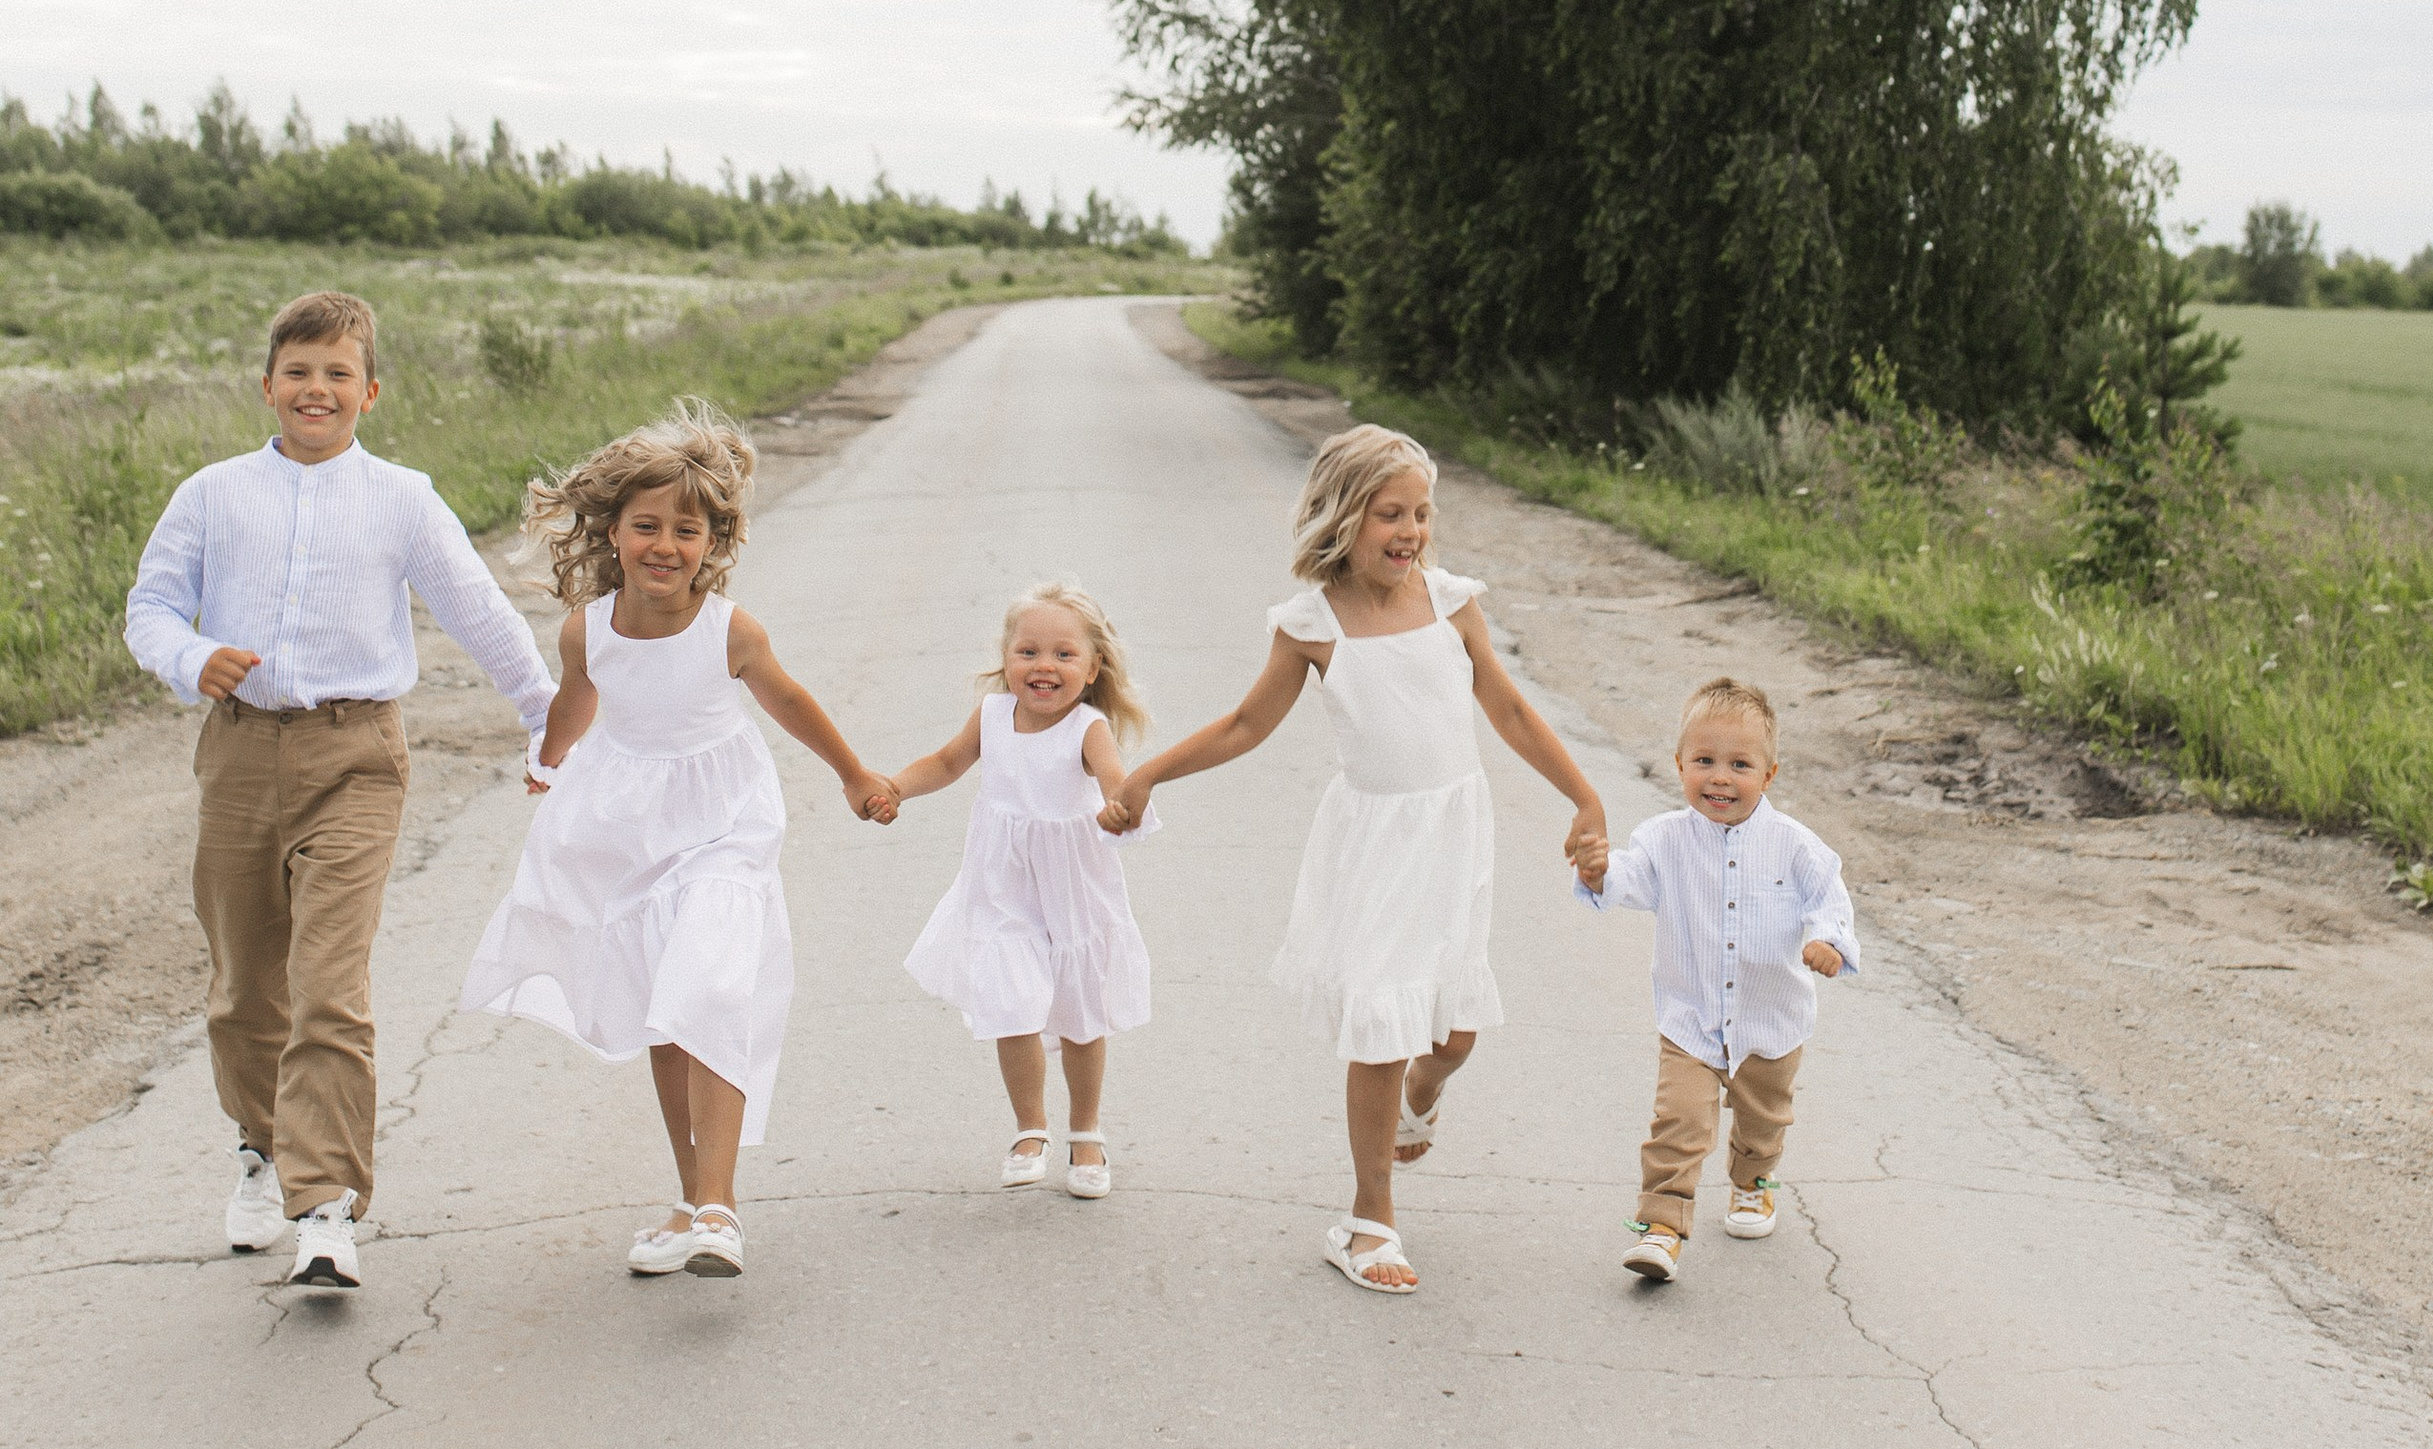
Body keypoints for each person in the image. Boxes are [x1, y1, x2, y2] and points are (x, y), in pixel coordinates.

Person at [124, 286, 557, 1296]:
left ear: (370, 391)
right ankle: (261, 1150)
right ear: (267, 385)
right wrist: (191, 658)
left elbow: (477, 609)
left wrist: (546, 717)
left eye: (337, 373)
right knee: (244, 990)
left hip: (356, 754)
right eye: (298, 371)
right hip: (239, 752)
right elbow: (151, 606)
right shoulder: (212, 494)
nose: (315, 389)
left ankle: (325, 1207)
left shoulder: (402, 497)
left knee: (328, 983)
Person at [1104, 424, 1606, 1294]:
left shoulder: (1450, 602)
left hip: (1453, 838)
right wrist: (1146, 775)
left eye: (1421, 514)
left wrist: (1584, 797)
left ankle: (1422, 1093)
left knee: (1452, 1034)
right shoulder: (1312, 624)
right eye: (1390, 514)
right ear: (1343, 517)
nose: (1411, 532)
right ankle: (1369, 1222)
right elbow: (1245, 725)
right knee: (1381, 1028)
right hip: (1376, 845)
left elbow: (1511, 710)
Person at [459, 406, 897, 1281]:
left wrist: (854, 774)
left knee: (710, 988)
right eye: (647, 527)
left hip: (726, 824)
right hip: (631, 830)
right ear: (612, 532)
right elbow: (576, 703)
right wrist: (548, 759)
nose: (665, 546)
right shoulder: (588, 629)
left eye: (686, 532)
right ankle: (693, 1198)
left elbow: (790, 701)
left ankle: (719, 1208)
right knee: (666, 1016)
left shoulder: (729, 630)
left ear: (713, 544)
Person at [1577, 676, 1857, 1283]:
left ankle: (1753, 1183)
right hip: (1692, 1018)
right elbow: (1629, 878)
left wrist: (1828, 942)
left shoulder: (1795, 847)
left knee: (1763, 1120)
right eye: (1704, 761)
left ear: (1769, 774)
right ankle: (1661, 1226)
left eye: (1740, 765)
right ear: (1679, 764)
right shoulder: (1663, 840)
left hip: (1771, 1018)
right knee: (1677, 1121)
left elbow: (1828, 899)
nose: (1720, 778)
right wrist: (1600, 873)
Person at [896, 579, 1154, 1197]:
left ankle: (1086, 1131)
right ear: (1007, 658)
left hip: (1073, 887)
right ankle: (1029, 1126)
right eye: (1028, 652)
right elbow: (946, 762)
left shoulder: (1088, 727)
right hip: (1003, 884)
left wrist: (1119, 806)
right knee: (1009, 1003)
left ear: (1092, 668)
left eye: (1064, 654)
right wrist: (895, 787)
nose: (1044, 666)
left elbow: (1115, 778)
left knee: (1080, 1014)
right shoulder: (992, 716)